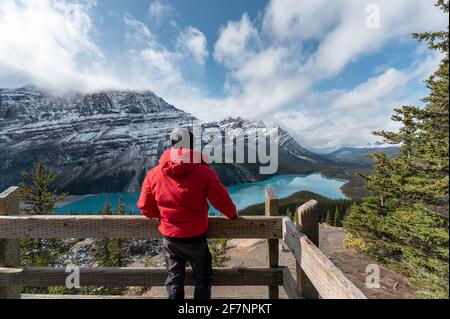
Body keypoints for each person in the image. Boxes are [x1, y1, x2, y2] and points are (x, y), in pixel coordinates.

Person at [138, 128, 238, 299]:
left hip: (170, 239)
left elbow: (145, 207)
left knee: (174, 281)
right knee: (203, 278)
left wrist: (162, 215)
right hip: (195, 239)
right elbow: (221, 201)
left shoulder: (153, 174)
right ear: (192, 146)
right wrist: (233, 215)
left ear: (172, 145)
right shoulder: (204, 172)